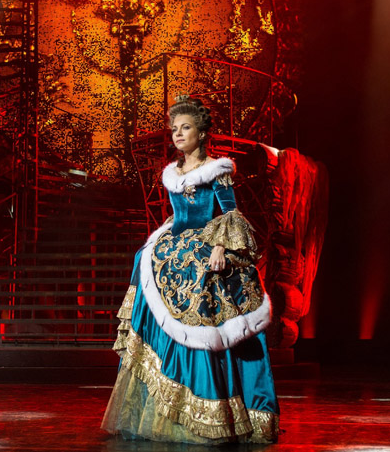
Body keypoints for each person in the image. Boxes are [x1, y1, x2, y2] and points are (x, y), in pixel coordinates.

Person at [102, 96, 279, 444]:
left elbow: (230, 213)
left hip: (207, 241)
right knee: (144, 259)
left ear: (201, 134)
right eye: (175, 130)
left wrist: (220, 247)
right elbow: (179, 215)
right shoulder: (173, 173)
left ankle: (209, 389)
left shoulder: (217, 170)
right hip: (175, 240)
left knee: (200, 275)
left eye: (186, 128)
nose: (178, 134)